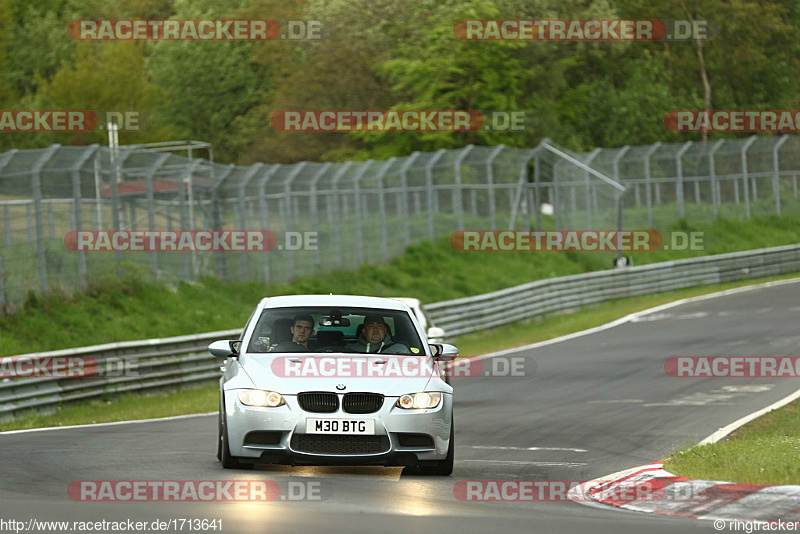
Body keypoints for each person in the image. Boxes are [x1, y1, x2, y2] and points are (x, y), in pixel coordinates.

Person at [346, 314, 410, 354]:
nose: (375, 329)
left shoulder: (400, 350)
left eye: (379, 325)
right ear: (364, 331)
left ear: (385, 330)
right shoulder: (349, 349)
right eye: (371, 326)